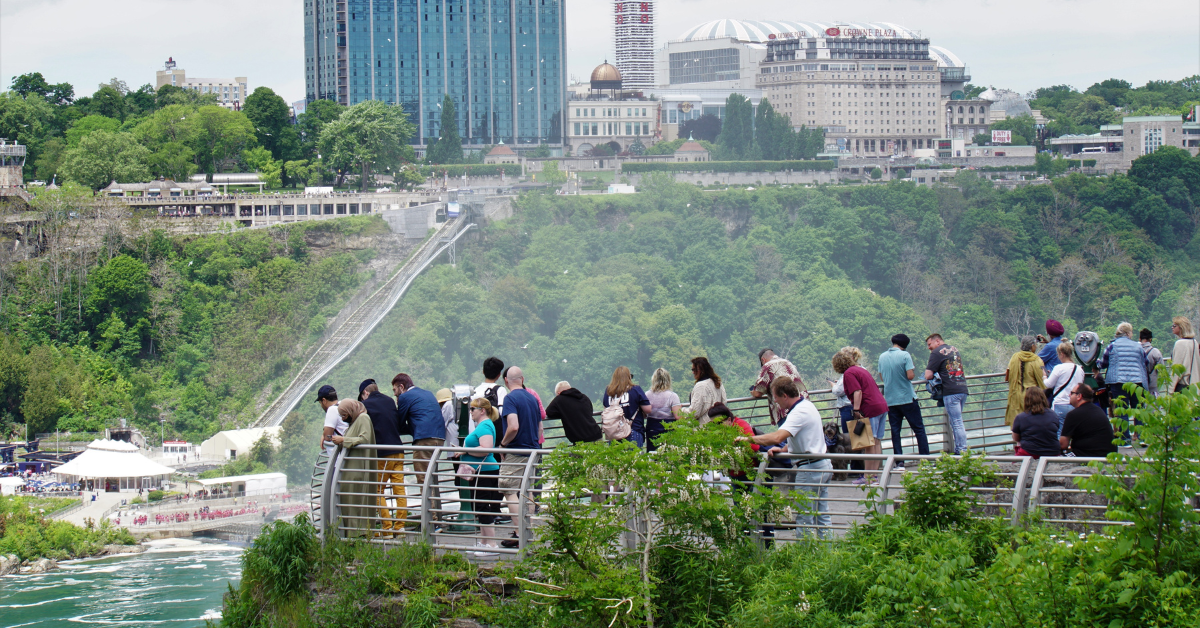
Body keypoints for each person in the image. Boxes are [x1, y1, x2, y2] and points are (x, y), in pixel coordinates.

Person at [743, 377, 832, 539]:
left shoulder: (798, 413)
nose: (775, 401)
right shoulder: (807, 405)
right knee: (822, 515)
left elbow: (777, 437)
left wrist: (748, 439)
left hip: (810, 469)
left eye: (776, 397)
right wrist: (784, 449)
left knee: (804, 518)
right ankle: (827, 550)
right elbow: (803, 437)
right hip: (823, 464)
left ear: (785, 396)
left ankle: (805, 552)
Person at [497, 366, 543, 548]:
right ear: (522, 379)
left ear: (506, 381)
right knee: (527, 491)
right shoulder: (532, 398)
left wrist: (503, 445)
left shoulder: (510, 398)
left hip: (516, 451)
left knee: (509, 489)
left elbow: (513, 426)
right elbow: (540, 428)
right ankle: (528, 530)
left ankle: (519, 533)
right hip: (533, 450)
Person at [393, 374, 446, 524]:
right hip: (439, 438)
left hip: (424, 439)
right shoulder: (427, 393)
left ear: (401, 387)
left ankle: (431, 522)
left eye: (395, 390)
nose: (395, 394)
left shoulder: (405, 397)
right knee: (431, 478)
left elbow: (399, 423)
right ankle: (437, 519)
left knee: (423, 479)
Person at [834, 347, 887, 482]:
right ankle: (874, 475)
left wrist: (856, 410)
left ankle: (867, 476)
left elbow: (857, 391)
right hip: (881, 406)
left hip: (869, 408)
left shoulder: (849, 373)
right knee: (876, 442)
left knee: (868, 444)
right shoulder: (860, 369)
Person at [360, 379, 406, 534]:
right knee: (399, 490)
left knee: (378, 490)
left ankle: (386, 529)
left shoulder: (365, 405)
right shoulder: (389, 401)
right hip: (398, 450)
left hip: (382, 453)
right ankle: (400, 527)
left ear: (365, 393)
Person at [878, 334, 930, 460]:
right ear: (905, 345)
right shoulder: (905, 355)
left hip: (891, 400)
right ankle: (925, 459)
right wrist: (912, 370)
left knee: (895, 432)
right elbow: (910, 376)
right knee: (918, 429)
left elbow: (882, 377)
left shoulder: (882, 356)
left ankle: (899, 462)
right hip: (907, 398)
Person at [462, 398, 503, 557]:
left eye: (473, 409)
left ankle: (492, 544)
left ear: (482, 410)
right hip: (480, 471)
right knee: (480, 506)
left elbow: (486, 448)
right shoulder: (482, 425)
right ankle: (484, 542)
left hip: (484, 471)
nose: (470, 412)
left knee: (483, 506)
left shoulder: (485, 425)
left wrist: (465, 451)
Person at [330, 399, 377, 538]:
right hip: (351, 469)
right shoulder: (354, 421)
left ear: (351, 411)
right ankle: (351, 533)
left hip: (358, 468)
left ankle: (358, 534)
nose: (343, 419)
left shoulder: (363, 418)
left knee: (356, 501)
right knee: (349, 501)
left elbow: (364, 439)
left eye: (344, 415)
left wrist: (343, 440)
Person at [924, 334, 970, 453]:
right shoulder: (954, 349)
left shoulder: (936, 353)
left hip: (950, 391)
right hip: (962, 388)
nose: (929, 347)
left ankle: (961, 450)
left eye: (930, 344)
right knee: (957, 421)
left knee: (956, 422)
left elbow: (928, 375)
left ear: (937, 341)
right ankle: (961, 449)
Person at [1096, 323, 1148, 419]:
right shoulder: (1138, 346)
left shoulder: (1112, 346)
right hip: (1137, 382)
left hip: (1118, 382)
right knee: (1139, 410)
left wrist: (1097, 362)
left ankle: (1124, 429)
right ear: (1128, 333)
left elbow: (1103, 364)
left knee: (1122, 411)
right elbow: (1146, 362)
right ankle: (1140, 428)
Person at [706, 403, 760, 489]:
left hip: (751, 472)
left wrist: (736, 443)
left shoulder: (740, 425)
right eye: (713, 424)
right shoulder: (715, 433)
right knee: (738, 496)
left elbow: (754, 446)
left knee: (754, 495)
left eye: (719, 422)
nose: (716, 427)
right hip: (734, 474)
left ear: (729, 420)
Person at [1059, 384, 1118, 458]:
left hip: (1087, 456)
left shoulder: (1073, 414)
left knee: (1056, 458)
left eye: (1072, 393)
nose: (1069, 395)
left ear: (1079, 396)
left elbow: (1063, 445)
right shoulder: (1098, 410)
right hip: (1108, 455)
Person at [602, 366, 653, 448]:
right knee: (633, 456)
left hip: (614, 432)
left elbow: (606, 410)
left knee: (616, 456)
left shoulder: (608, 391)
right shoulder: (635, 389)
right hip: (633, 429)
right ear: (629, 377)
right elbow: (648, 409)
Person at [1043, 341, 1083, 437]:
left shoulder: (1059, 368)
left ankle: (1059, 447)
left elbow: (1048, 384)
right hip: (1075, 404)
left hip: (1060, 403)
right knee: (1074, 432)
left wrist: (1044, 376)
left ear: (1062, 354)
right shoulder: (1079, 369)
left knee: (1059, 432)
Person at [751, 349, 803, 422]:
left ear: (763, 359)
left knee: (786, 429)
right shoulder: (788, 363)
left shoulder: (767, 366)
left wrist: (753, 391)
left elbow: (757, 393)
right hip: (802, 404)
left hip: (785, 409)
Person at [1005, 336, 1046, 426]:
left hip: (1016, 395)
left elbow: (1009, 374)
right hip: (1031, 396)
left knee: (1018, 424)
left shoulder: (1015, 357)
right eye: (1036, 345)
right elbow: (1042, 380)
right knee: (1031, 423)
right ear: (1032, 346)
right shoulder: (1037, 360)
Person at [546, 381, 602, 445]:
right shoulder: (583, 397)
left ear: (559, 393)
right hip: (596, 434)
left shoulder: (559, 399)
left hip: (581, 440)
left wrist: (563, 413)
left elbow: (549, 412)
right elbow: (590, 411)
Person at [1011, 388, 1061, 458]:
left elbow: (1016, 438)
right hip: (1053, 452)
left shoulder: (1020, 417)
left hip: (1029, 451)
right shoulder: (1053, 415)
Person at [645, 369, 684, 451]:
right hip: (669, 429)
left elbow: (644, 413)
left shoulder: (647, 395)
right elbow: (678, 417)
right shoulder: (673, 396)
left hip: (652, 428)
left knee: (652, 453)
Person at [689, 357, 727, 424]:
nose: (693, 372)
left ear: (700, 370)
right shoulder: (718, 382)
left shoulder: (701, 385)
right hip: (718, 422)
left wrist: (681, 411)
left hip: (704, 425)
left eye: (694, 369)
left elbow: (695, 412)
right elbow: (724, 401)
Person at [472, 357, 508, 429]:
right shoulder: (500, 390)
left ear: (483, 372)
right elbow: (502, 413)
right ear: (499, 374)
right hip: (494, 431)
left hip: (478, 429)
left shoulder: (475, 391)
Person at [1170, 317, 1200, 392]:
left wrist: (1170, 389)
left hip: (1182, 386)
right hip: (1193, 385)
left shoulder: (1180, 343)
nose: (1172, 327)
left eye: (1174, 326)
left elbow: (1176, 369)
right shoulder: (1194, 342)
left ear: (1181, 327)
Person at [317, 385, 346, 457]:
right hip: (347, 454)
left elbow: (327, 437)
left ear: (324, 401)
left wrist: (324, 434)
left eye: (320, 403)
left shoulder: (332, 410)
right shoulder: (342, 405)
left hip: (338, 458)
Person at [1139, 328, 1164, 397]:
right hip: (1152, 387)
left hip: (1138, 386)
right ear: (1150, 339)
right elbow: (1161, 369)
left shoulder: (1137, 351)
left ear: (1139, 339)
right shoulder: (1155, 352)